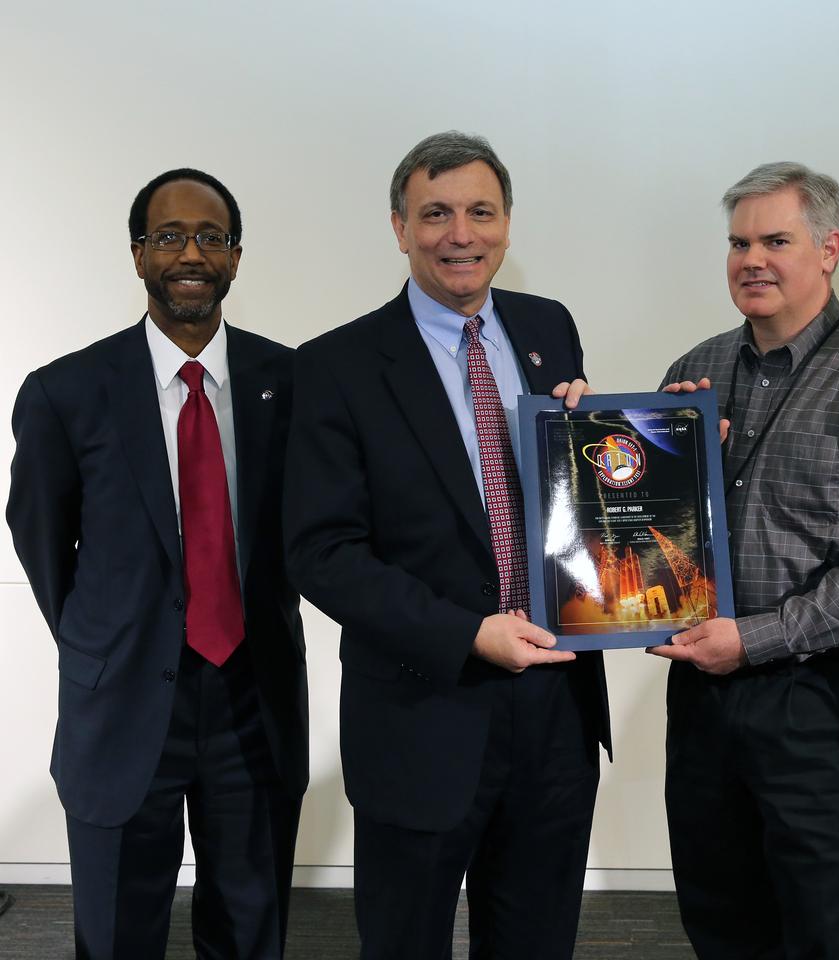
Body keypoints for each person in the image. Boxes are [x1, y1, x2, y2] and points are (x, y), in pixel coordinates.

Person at [283, 131, 610, 959]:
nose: (459, 233)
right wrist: (466, 632)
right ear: (399, 227)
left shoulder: (549, 329)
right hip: (422, 713)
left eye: (479, 212)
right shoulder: (337, 364)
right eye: (435, 213)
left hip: (555, 713)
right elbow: (323, 551)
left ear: (507, 223)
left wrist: (638, 452)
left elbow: (577, 505)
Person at [6, 168, 308, 958]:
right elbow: (42, 538)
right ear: (138, 254)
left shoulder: (294, 384)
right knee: (116, 933)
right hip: (122, 703)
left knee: (250, 929)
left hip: (255, 699)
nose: (191, 254)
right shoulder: (65, 391)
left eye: (211, 237)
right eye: (169, 236)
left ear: (237, 258)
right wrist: (102, 639)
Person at [653, 161, 839, 959]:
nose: (753, 259)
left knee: (829, 931)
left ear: (828, 249)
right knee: (719, 920)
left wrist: (754, 638)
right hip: (705, 701)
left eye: (776, 240)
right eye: (740, 241)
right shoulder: (693, 374)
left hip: (823, 702)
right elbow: (649, 535)